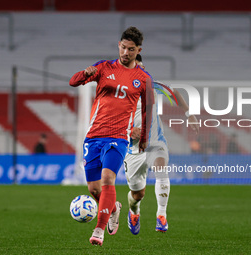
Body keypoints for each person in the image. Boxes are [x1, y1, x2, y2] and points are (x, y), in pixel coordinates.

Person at [69, 27, 154, 246]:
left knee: (108, 179)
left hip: (118, 137)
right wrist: (85, 74)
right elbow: (73, 82)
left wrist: (144, 136)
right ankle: (114, 207)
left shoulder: (143, 78)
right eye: (123, 47)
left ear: (139, 50)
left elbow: (147, 110)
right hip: (94, 135)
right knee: (94, 189)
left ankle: (98, 230)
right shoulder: (104, 67)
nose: (126, 52)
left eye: (131, 49)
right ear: (119, 45)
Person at [124, 54, 199, 235]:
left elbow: (176, 94)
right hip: (132, 150)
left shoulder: (153, 85)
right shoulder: (120, 92)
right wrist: (129, 132)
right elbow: (110, 120)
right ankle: (134, 212)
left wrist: (190, 115)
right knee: (137, 195)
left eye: (140, 67)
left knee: (161, 169)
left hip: (155, 143)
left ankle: (161, 215)